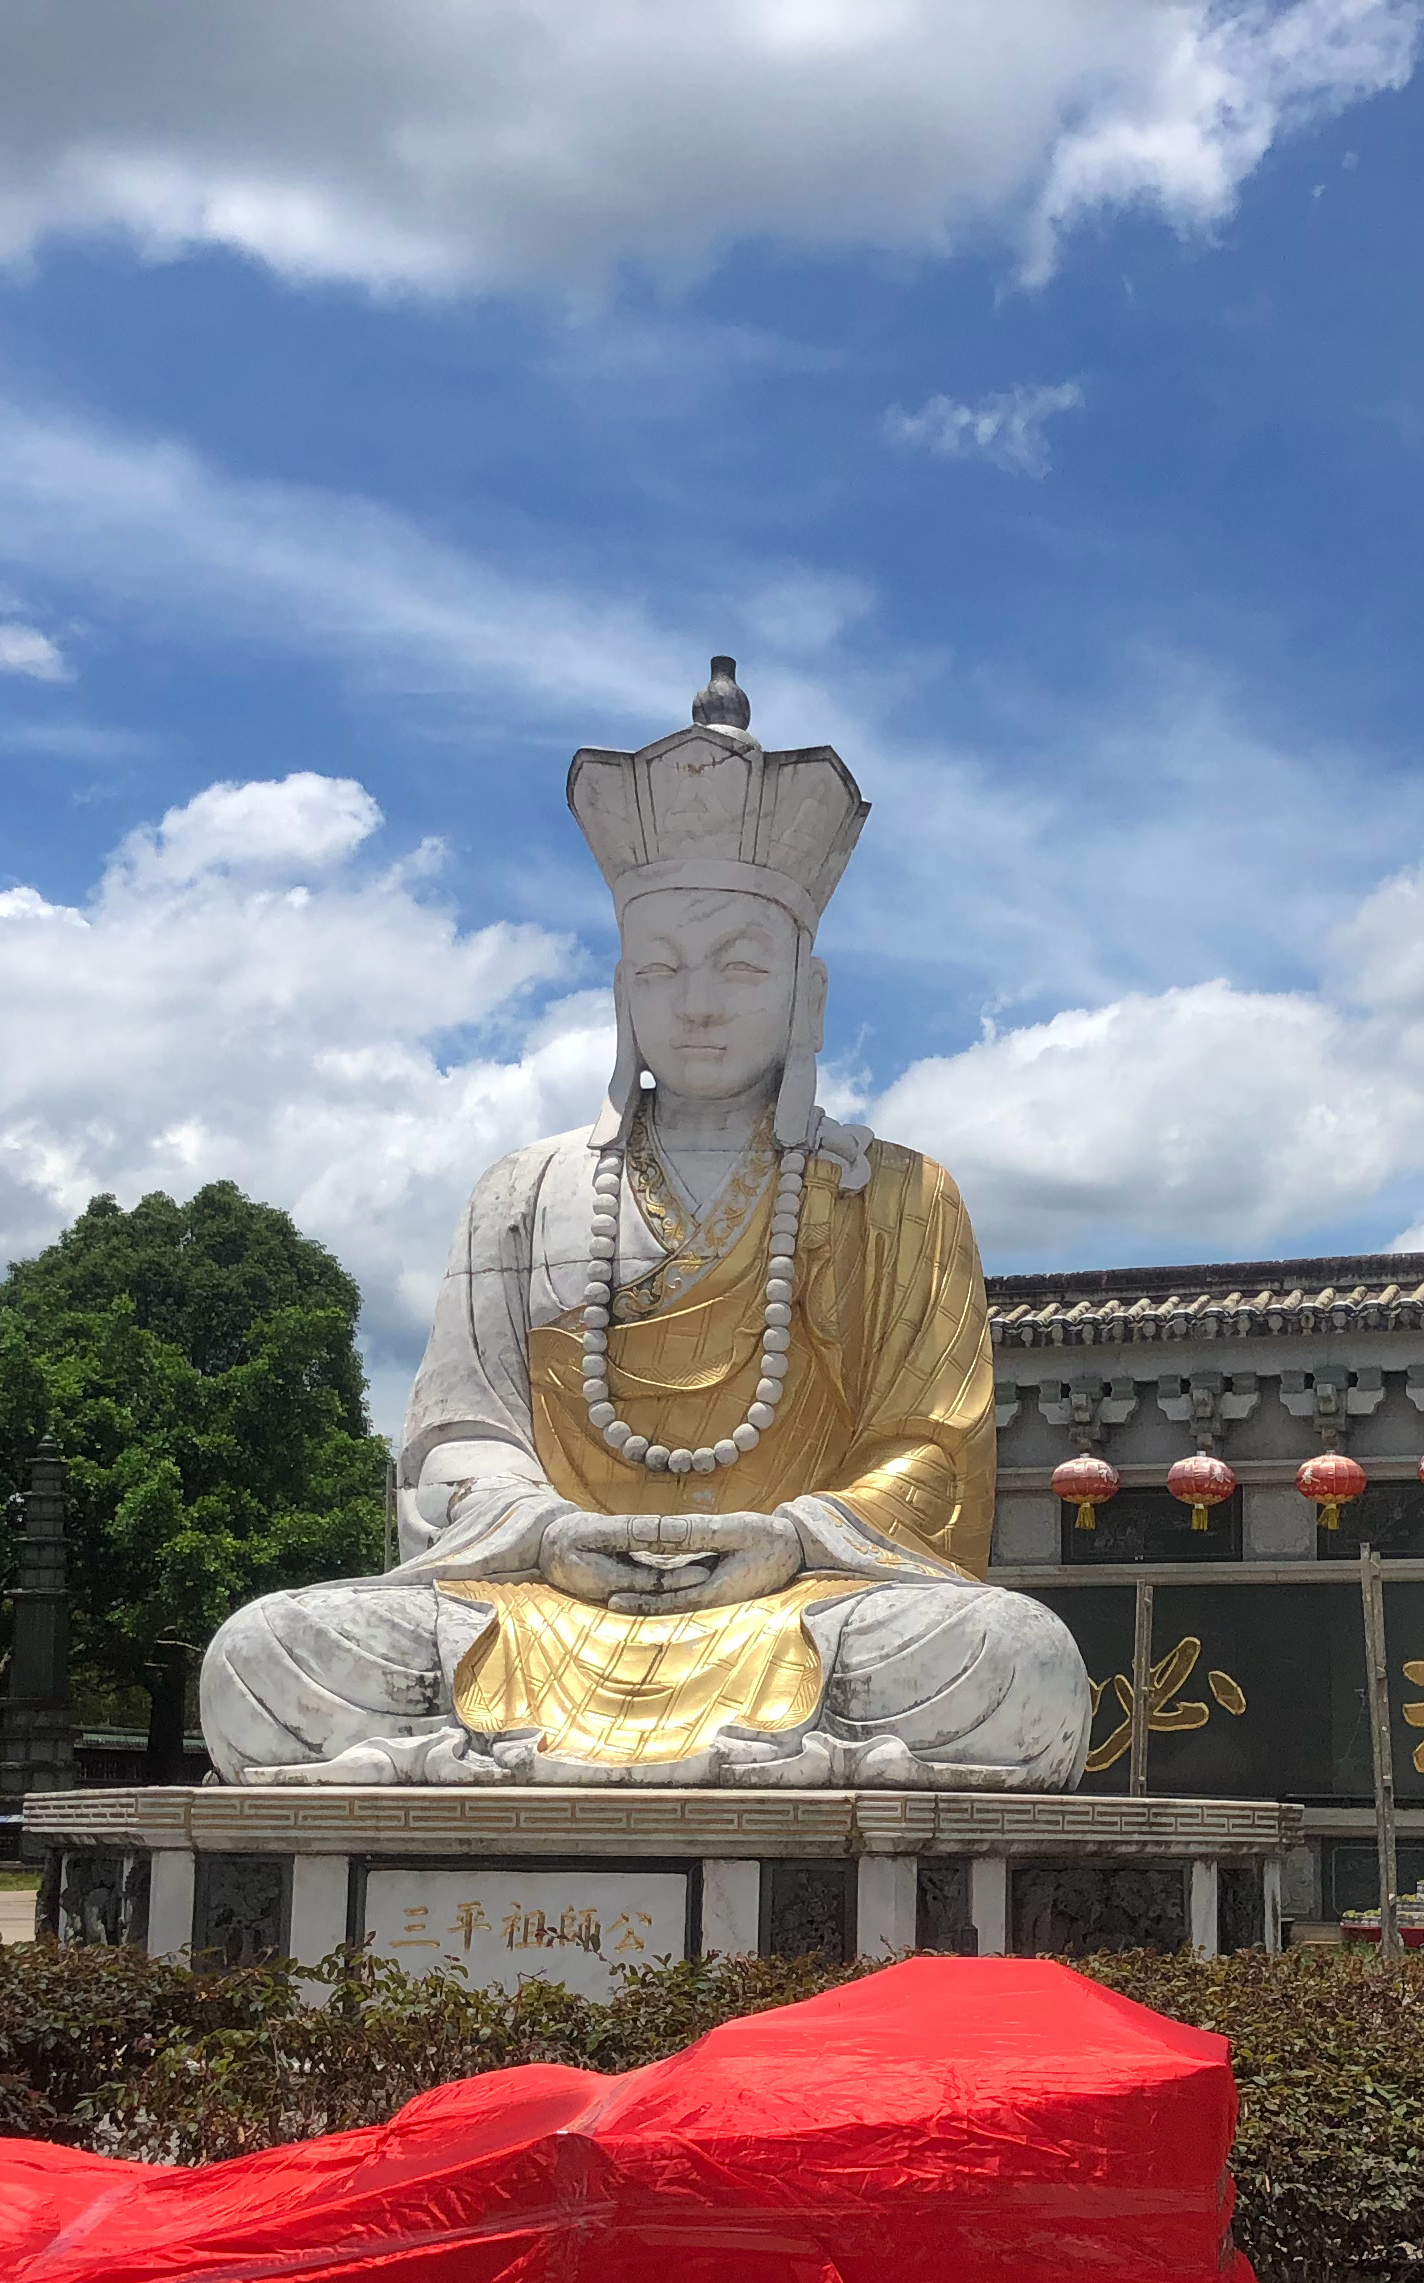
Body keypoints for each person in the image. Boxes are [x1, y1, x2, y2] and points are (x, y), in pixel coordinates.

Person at [200, 662, 1088, 1788]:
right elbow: (450, 1440)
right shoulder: (524, 1189)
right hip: (541, 1604)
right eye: (663, 970)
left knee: (1016, 1662)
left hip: (797, 1611)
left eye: (740, 966)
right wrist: (546, 1531)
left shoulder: (900, 1195)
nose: (701, 1002)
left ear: (805, 994)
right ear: (623, 992)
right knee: (264, 1652)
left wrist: (791, 1539)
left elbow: (931, 1454)